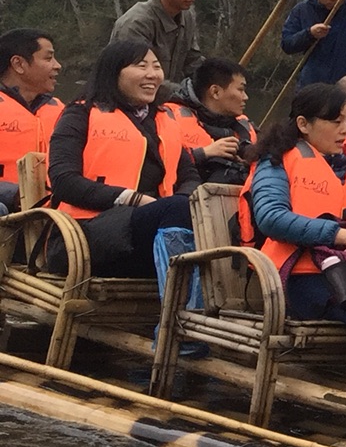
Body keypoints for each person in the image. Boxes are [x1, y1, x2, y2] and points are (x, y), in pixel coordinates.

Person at [48, 40, 202, 278]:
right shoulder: (80, 114)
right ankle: (180, 303)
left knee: (196, 209)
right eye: (141, 66)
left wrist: (184, 203)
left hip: (151, 228)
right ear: (113, 72)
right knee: (177, 210)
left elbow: (189, 175)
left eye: (156, 66)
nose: (152, 74)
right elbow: (64, 181)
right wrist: (133, 199)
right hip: (84, 236)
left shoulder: (163, 121)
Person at [242, 82, 346, 319]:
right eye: (335, 122)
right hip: (296, 278)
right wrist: (342, 235)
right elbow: (271, 218)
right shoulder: (275, 162)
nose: (345, 130)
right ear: (303, 124)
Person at [109, 0, 203, 97]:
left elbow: (192, 62)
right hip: (130, 102)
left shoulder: (187, 16)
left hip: (166, 102)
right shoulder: (136, 23)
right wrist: (184, 95)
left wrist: (216, 79)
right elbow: (136, 77)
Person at [0, 28, 63, 213]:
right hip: (8, 210)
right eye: (48, 58)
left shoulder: (64, 111)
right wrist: (14, 194)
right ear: (18, 64)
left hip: (58, 207)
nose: (57, 65)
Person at [168, 56, 256, 188]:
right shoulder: (169, 118)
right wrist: (204, 153)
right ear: (215, 92)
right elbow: (158, 164)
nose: (245, 97)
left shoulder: (243, 125)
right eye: (240, 90)